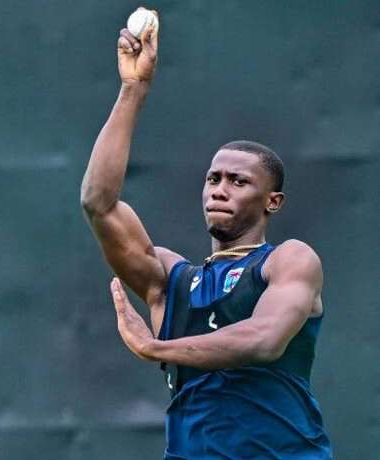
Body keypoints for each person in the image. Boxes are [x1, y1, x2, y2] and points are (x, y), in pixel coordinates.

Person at [80, 16, 332, 459]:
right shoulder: (169, 282)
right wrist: (133, 90)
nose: (219, 189)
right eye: (213, 178)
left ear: (272, 202)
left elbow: (264, 339)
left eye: (238, 181)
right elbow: (99, 204)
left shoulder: (288, 260)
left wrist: (156, 347)